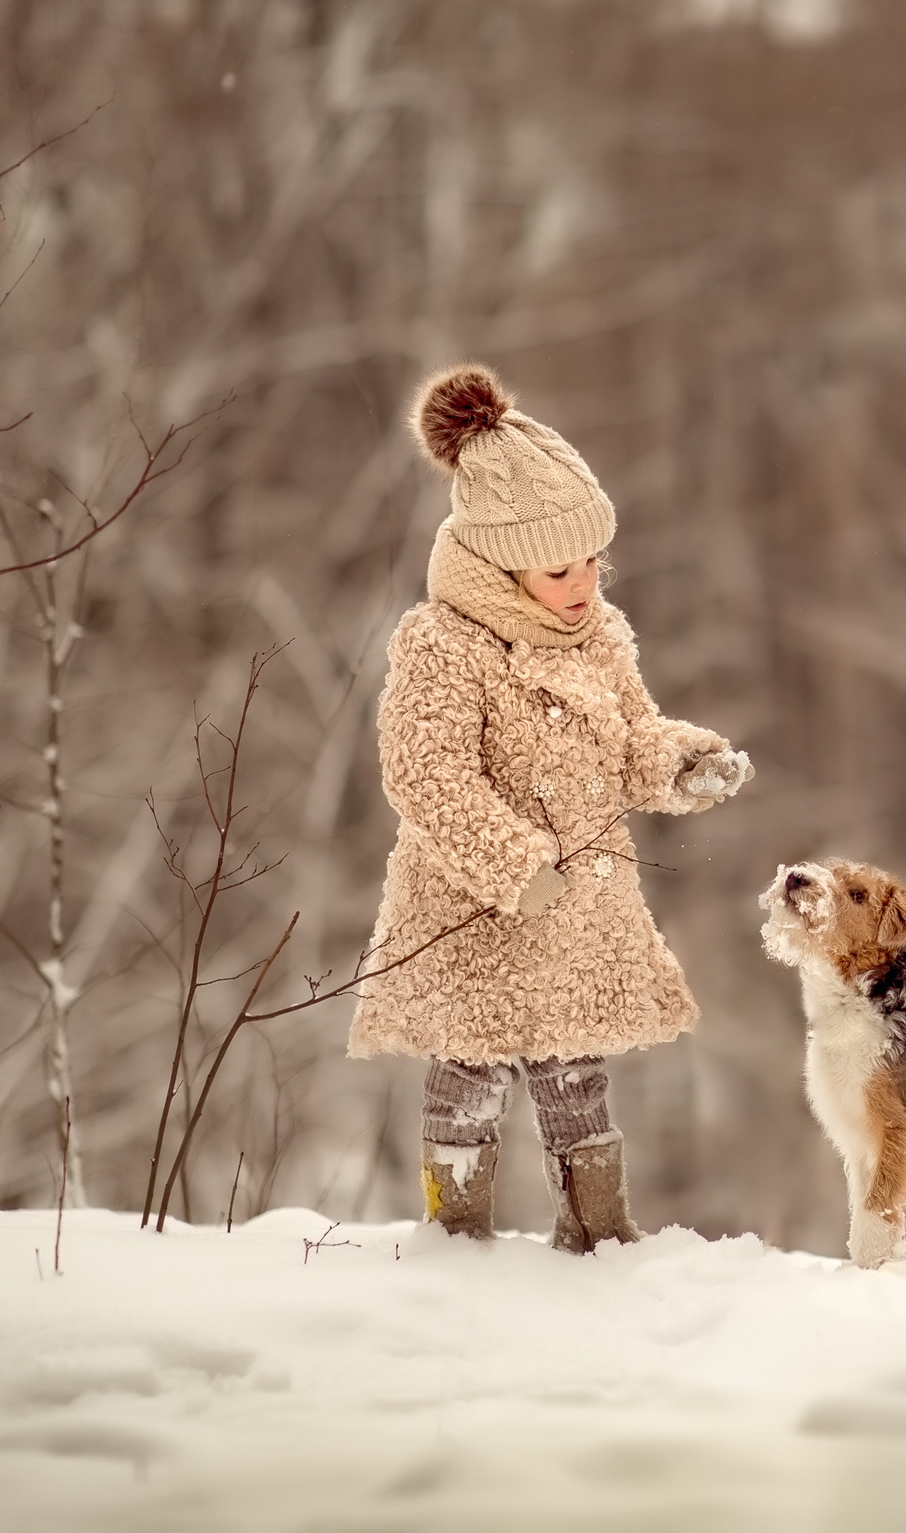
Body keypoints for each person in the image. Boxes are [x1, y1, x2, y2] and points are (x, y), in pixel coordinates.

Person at [348, 363, 750, 1250]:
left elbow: (633, 738)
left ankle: (599, 1239)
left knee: (577, 1078)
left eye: (594, 561)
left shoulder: (596, 633)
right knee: (470, 1074)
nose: (583, 582)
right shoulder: (445, 644)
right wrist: (514, 863)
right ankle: (455, 1237)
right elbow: (426, 774)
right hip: (477, 911)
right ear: (500, 563)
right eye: (559, 567)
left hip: (575, 916)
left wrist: (680, 763)